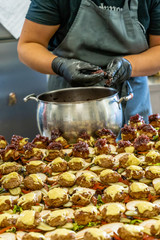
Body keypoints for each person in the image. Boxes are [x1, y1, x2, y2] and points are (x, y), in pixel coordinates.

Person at [17, 0, 160, 125]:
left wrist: (129, 66)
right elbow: (28, 44)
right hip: (69, 105)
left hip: (131, 102)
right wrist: (60, 65)